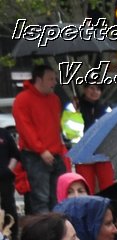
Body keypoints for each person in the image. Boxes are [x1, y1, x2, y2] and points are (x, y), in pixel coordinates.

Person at [14, 66, 66, 215]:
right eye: (50, 78)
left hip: (55, 153)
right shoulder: (23, 99)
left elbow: (57, 128)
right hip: (35, 155)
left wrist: (60, 150)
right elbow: (25, 128)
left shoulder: (54, 99)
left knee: (58, 196)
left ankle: (58, 230)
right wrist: (41, 150)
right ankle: (45, 234)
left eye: (54, 78)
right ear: (39, 79)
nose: (54, 82)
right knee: (40, 198)